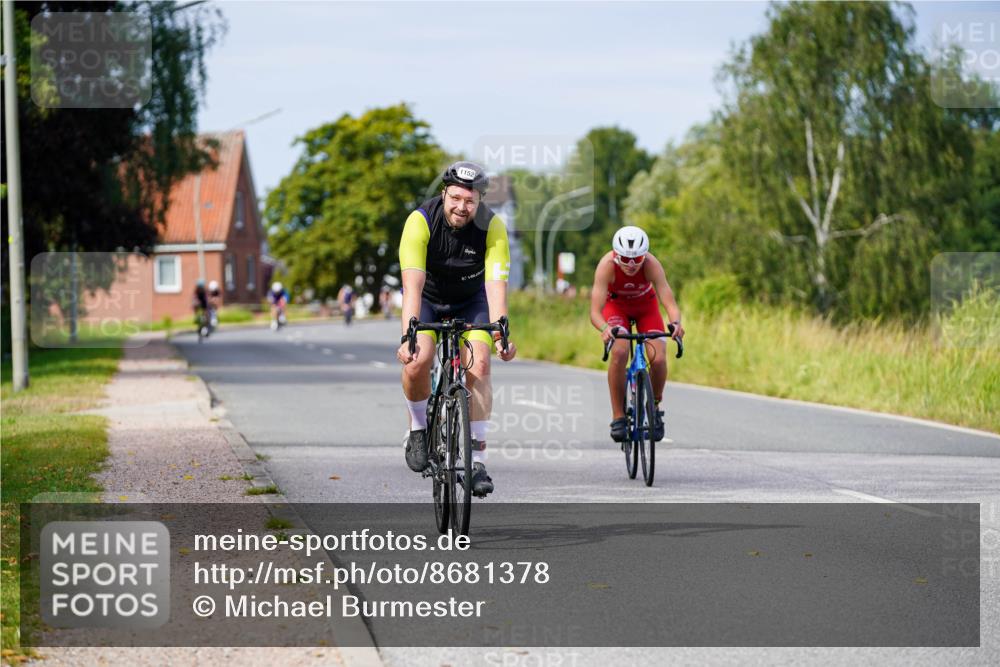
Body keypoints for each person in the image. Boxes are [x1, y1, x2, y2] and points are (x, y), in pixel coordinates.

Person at [396, 161, 517, 496]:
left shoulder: (491, 226)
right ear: (444, 193)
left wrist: (500, 334)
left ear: (479, 202)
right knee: (418, 359)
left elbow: (496, 284)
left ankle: (477, 460)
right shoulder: (420, 221)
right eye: (456, 198)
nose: (462, 207)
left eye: (470, 201)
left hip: (471, 300)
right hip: (429, 298)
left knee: (479, 363)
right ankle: (418, 428)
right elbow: (412, 284)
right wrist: (409, 335)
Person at [590, 226, 684, 443]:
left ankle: (655, 407)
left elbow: (668, 301)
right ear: (615, 254)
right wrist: (605, 329)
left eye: (637, 258)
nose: (631, 264)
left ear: (645, 255)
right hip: (616, 309)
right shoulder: (606, 266)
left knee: (659, 358)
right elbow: (595, 311)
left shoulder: (652, 265)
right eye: (625, 258)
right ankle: (618, 416)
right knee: (620, 352)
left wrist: (676, 323)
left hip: (646, 307)